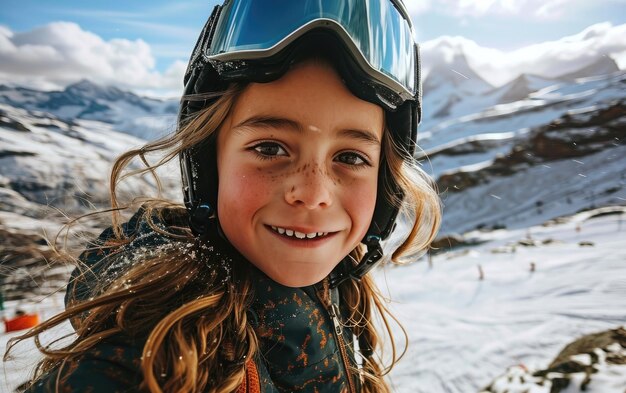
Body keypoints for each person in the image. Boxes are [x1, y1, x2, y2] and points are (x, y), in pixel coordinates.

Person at [5, 0, 441, 391]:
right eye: (269, 149)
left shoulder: (339, 301)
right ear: (209, 165)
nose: (312, 194)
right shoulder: (159, 348)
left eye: (350, 157)